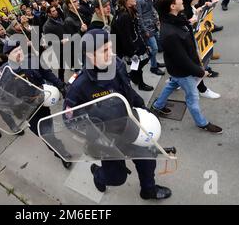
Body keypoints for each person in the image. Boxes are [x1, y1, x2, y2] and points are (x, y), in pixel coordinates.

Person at [64, 28, 172, 200]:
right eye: (105, 50)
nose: (111, 53)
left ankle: (148, 191)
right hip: (108, 140)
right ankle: (98, 174)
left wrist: (144, 110)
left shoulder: (117, 64)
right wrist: (96, 136)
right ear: (90, 55)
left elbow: (127, 92)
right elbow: (69, 121)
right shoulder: (79, 86)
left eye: (111, 47)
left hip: (131, 126)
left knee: (147, 161)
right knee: (116, 178)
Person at [151, 0, 223, 134]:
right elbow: (182, 59)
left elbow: (184, 36)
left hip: (177, 70)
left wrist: (191, 22)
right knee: (192, 98)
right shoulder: (169, 33)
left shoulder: (175, 19)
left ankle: (157, 106)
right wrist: (200, 71)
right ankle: (202, 123)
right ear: (172, 6)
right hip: (183, 72)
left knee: (172, 84)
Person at [0, 40, 71, 169]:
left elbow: (46, 73)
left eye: (20, 49)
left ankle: (55, 144)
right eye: (15, 51)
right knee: (43, 133)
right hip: (27, 110)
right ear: (7, 55)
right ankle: (60, 152)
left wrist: (61, 85)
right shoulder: (6, 71)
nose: (19, 52)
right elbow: (5, 96)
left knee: (49, 129)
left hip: (42, 102)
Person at [112, 0, 153, 91]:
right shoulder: (124, 16)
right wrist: (133, 52)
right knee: (139, 63)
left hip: (135, 43)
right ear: (126, 1)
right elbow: (125, 37)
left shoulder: (128, 12)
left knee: (142, 61)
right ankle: (140, 83)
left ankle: (134, 76)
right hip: (132, 47)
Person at [135, 0, 166, 76]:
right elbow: (139, 17)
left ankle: (154, 62)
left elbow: (151, 8)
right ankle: (153, 67)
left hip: (153, 24)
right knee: (154, 48)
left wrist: (157, 19)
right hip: (147, 28)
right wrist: (145, 31)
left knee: (156, 46)